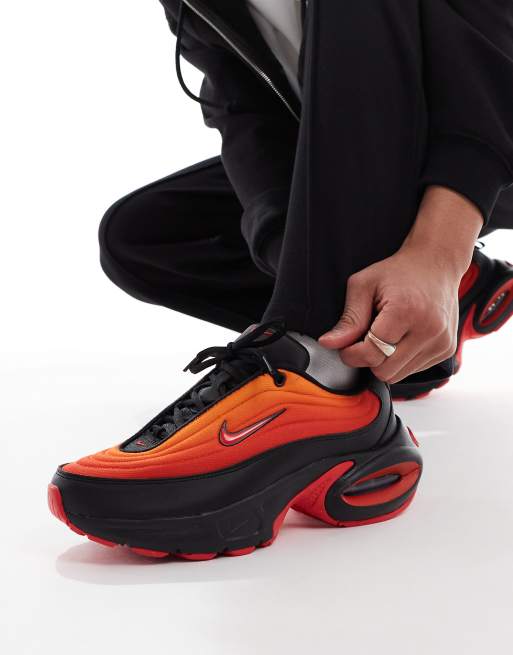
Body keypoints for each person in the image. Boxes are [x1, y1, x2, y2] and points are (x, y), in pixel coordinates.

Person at [48, 1, 513, 559]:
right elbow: (241, 108)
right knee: (141, 237)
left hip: (491, 133)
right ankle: (399, 320)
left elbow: (491, 41)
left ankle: (322, 378)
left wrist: (439, 253)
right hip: (372, 148)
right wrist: (279, 242)